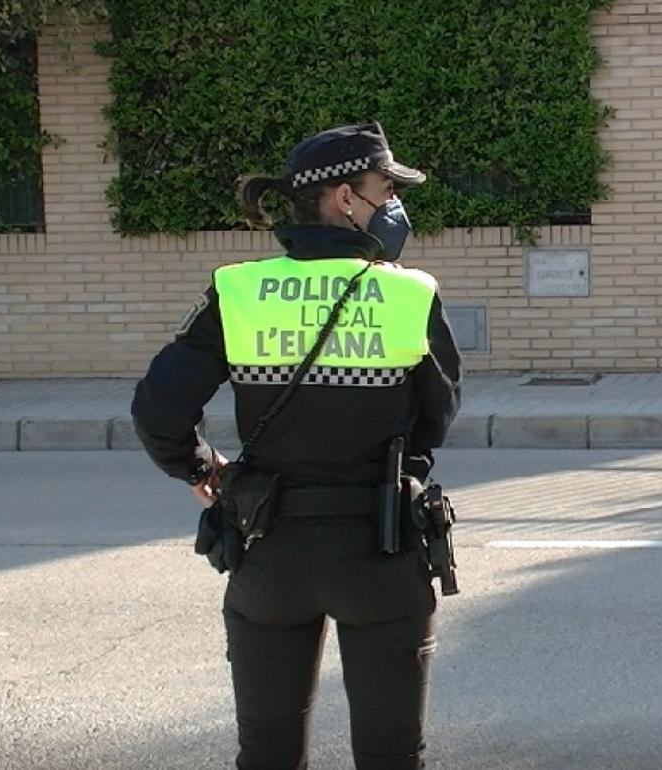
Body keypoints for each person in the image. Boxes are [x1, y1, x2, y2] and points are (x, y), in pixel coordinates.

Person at [131, 121, 462, 770]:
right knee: (394, 757)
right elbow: (437, 413)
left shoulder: (239, 290)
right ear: (344, 197)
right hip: (381, 547)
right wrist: (401, 472)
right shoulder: (408, 293)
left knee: (268, 755)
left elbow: (157, 410)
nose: (393, 201)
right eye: (384, 187)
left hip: (269, 554)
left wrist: (203, 470)